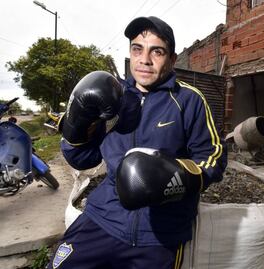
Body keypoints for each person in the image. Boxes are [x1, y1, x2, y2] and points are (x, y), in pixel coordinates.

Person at [48, 16, 227, 269]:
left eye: (157, 51)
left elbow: (214, 157)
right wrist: (77, 128)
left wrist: (175, 177)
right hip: (103, 217)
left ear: (172, 59)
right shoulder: (112, 97)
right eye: (137, 49)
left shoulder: (189, 100)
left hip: (159, 233)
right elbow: (83, 159)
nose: (145, 60)